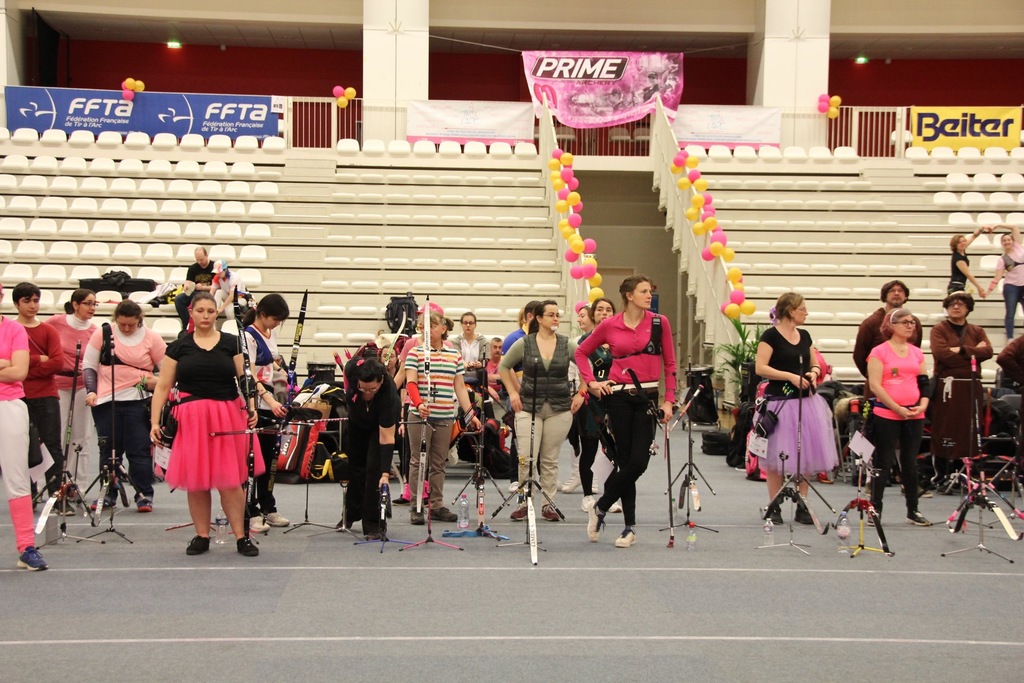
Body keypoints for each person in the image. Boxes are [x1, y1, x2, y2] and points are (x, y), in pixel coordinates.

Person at [150, 292, 260, 556]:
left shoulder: (232, 343)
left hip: (227, 415)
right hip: (191, 419)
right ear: (191, 312)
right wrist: (154, 422)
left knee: (230, 480)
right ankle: (201, 535)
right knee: (197, 480)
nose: (206, 316)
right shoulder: (179, 346)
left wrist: (252, 406)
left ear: (216, 313)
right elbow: (163, 386)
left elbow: (246, 378)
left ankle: (241, 537)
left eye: (210, 311)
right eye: (200, 311)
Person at [575, 276, 678, 548]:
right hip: (618, 398)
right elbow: (581, 353)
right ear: (629, 295)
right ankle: (629, 528)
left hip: (647, 398)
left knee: (638, 462)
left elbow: (670, 364)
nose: (649, 295)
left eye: (649, 291)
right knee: (624, 461)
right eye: (644, 291)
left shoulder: (660, 323)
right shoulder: (610, 324)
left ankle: (600, 506)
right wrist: (592, 383)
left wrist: (669, 400)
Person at [752, 293, 839, 525]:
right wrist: (790, 376)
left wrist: (813, 372)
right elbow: (761, 368)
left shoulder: (805, 335)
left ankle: (803, 503)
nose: (806, 313)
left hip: (806, 402)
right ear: (791, 311)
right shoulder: (770, 336)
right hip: (780, 402)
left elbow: (814, 362)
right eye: (802, 309)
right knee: (777, 456)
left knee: (804, 454)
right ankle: (774, 503)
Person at [499, 300, 584, 522]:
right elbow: (504, 366)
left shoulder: (567, 344)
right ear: (538, 318)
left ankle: (548, 505)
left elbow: (587, 366)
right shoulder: (525, 343)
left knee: (549, 460)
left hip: (559, 408)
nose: (556, 319)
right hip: (528, 407)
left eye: (558, 315)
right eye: (551, 315)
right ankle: (524, 502)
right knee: (526, 458)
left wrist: (581, 393)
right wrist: (513, 393)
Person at [83, 300, 166, 512]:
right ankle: (107, 494)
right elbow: (89, 365)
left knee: (139, 450)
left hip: (138, 401)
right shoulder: (103, 333)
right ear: (116, 320)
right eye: (122, 325)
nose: (127, 328)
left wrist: (149, 382)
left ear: (140, 320)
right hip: (105, 402)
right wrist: (91, 391)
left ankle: (144, 494)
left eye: (131, 325)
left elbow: (167, 372)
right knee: (109, 451)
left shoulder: (152, 337)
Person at [404, 306, 480, 525]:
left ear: (443, 328)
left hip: (445, 416)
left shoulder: (453, 355)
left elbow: (460, 388)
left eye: (432, 325)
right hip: (420, 416)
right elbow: (410, 383)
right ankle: (416, 505)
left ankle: (436, 504)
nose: (427, 329)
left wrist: (470, 414)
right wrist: (419, 404)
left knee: (438, 462)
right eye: (423, 326)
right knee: (418, 461)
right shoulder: (415, 353)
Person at [866, 308, 932, 526]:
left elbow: (924, 382)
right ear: (891, 325)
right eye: (905, 322)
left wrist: (923, 404)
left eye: (912, 322)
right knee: (883, 462)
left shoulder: (916, 352)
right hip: (887, 413)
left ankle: (913, 510)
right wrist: (896, 407)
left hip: (914, 413)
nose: (910, 326)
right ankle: (875, 509)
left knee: (910, 463)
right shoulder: (879, 352)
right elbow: (875, 385)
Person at [0, 283, 48, 570]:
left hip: (9, 404)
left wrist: (9, 366)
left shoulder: (14, 329)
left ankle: (27, 547)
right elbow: (10, 368)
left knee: (17, 477)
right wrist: (2, 363)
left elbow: (19, 371)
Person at [929, 292, 992, 487]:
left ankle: (965, 472)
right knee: (944, 427)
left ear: (968, 308)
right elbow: (943, 355)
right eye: (952, 304)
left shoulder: (977, 330)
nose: (956, 307)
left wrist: (961, 349)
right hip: (948, 387)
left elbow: (988, 352)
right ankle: (941, 474)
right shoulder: (939, 329)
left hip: (971, 386)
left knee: (969, 428)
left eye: (961, 304)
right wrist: (973, 352)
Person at [241, 294, 292, 532]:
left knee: (270, 458)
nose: (277, 324)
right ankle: (251, 510)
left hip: (272, 400)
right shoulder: (248, 337)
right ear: (261, 314)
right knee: (255, 459)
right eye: (274, 319)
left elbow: (273, 365)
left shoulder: (271, 333)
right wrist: (268, 400)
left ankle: (268, 506)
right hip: (256, 402)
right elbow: (249, 375)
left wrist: (282, 390)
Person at [13, 282, 65, 500]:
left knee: (52, 444)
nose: (33, 305)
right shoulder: (10, 330)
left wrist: (23, 368)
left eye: (36, 301)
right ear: (16, 304)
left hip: (46, 394)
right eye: (27, 301)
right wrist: (36, 360)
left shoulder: (48, 330)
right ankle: (28, 494)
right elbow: (7, 364)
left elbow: (57, 363)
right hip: (18, 395)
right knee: (22, 445)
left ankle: (56, 495)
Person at [45, 289, 99, 490]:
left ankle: (78, 485)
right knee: (56, 435)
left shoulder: (95, 331)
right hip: (58, 385)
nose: (92, 308)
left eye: (94, 304)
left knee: (81, 436)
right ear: (75, 304)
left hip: (82, 385)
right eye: (88, 303)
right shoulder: (55, 322)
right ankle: (52, 482)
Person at [343, 356, 400, 540]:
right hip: (357, 420)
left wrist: (385, 474)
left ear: (381, 381)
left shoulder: (388, 396)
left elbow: (387, 438)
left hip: (379, 427)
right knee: (355, 468)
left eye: (372, 389)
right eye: (363, 388)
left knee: (374, 471)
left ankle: (374, 524)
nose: (367, 393)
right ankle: (351, 514)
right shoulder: (352, 370)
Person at [568, 297, 616, 511]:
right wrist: (586, 391)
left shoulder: (619, 339)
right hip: (591, 400)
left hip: (616, 400)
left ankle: (609, 496)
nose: (604, 313)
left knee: (612, 451)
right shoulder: (585, 341)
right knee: (589, 448)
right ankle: (587, 495)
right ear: (593, 314)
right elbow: (583, 374)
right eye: (600, 310)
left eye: (608, 310)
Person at [852, 280, 923, 380]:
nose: (896, 293)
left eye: (900, 291)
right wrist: (873, 376)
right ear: (884, 296)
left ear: (906, 297)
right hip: (879, 380)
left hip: (907, 381)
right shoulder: (871, 323)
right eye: (892, 291)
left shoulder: (914, 322)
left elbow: (916, 352)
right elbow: (859, 355)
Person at [984, 223, 1024, 340]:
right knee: (1010, 312)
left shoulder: (1018, 247)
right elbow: (997, 278)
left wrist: (997, 225)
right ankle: (1010, 338)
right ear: (1002, 243)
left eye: (1008, 239)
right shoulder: (1002, 259)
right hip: (1011, 287)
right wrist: (988, 291)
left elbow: (1014, 227)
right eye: (1004, 241)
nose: (1007, 242)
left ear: (1012, 241)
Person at [174, 246, 215, 329]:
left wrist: (203, 288)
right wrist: (187, 286)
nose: (199, 262)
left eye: (201, 259)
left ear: (206, 255)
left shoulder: (214, 267)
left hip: (210, 292)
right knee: (179, 299)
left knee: (198, 297)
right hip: (195, 292)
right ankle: (187, 324)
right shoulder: (193, 268)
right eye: (197, 260)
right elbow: (188, 281)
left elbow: (217, 286)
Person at [947, 229, 990, 296]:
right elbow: (968, 274)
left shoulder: (962, 251)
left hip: (960, 285)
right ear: (955, 245)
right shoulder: (958, 258)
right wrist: (979, 287)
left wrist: (981, 229)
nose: (963, 243)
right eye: (959, 242)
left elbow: (973, 236)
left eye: (964, 241)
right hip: (956, 286)